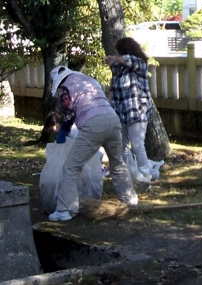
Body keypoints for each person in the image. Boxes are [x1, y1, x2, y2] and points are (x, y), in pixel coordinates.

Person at [48, 66, 138, 221]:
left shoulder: (65, 89)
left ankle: (65, 209)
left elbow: (69, 114)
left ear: (58, 80)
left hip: (93, 124)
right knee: (117, 163)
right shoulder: (88, 81)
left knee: (71, 167)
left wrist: (63, 132)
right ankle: (130, 200)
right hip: (112, 120)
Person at [104, 37, 154, 190]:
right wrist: (108, 105)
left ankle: (146, 178)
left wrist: (115, 58)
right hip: (121, 112)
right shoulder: (119, 69)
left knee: (137, 145)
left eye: (118, 51)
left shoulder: (139, 63)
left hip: (137, 111)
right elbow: (114, 90)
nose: (116, 54)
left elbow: (128, 59)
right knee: (122, 147)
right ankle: (129, 177)